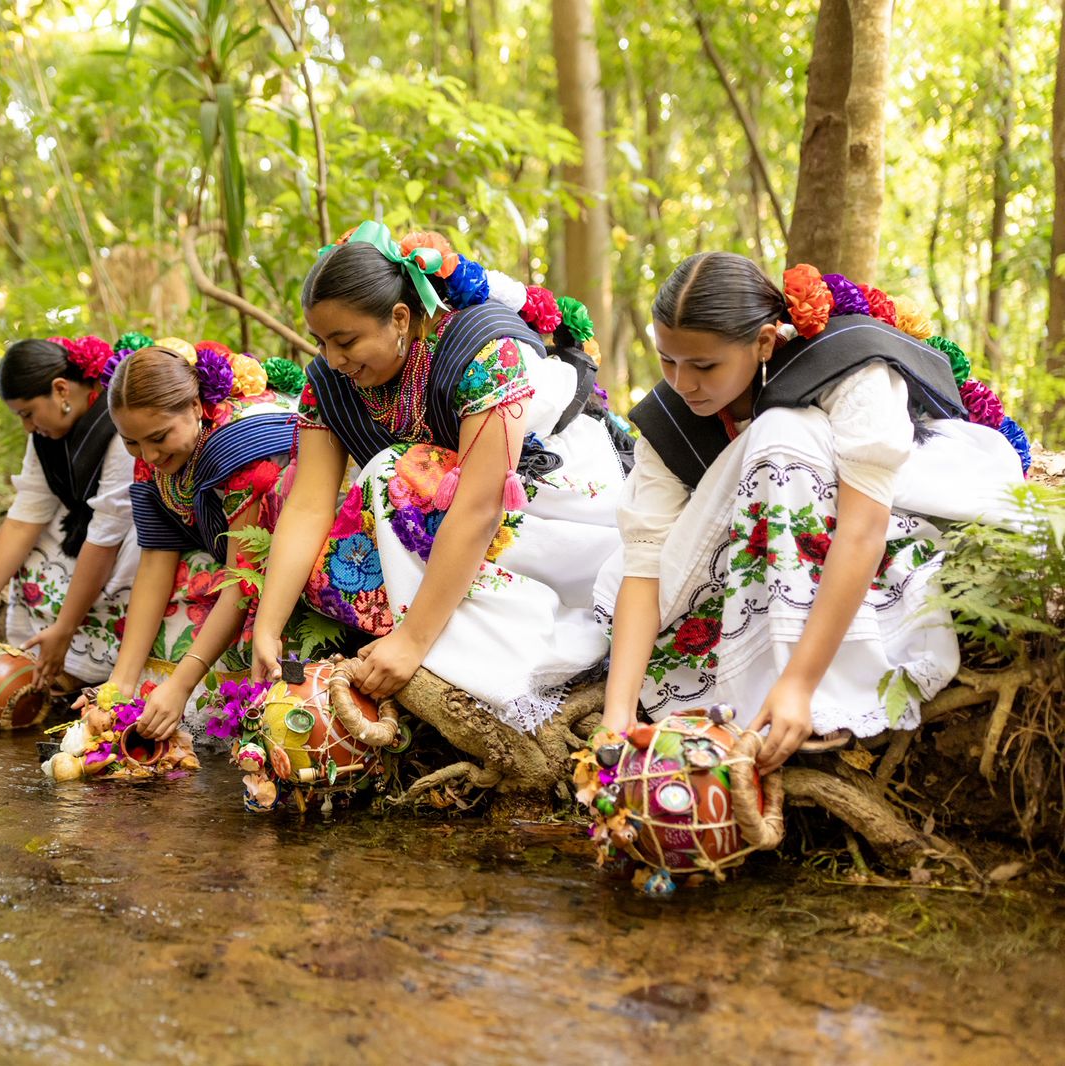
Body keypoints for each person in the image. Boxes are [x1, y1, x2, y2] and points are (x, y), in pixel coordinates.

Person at [596, 253, 1031, 770]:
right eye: (669, 360)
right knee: (616, 577)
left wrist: (800, 685)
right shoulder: (671, 419)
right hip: (757, 560)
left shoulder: (851, 370)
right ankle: (742, 686)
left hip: (869, 534)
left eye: (704, 365)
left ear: (762, 342)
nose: (683, 383)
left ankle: (825, 693)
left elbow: (863, 531)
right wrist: (616, 716)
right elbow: (647, 568)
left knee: (781, 432)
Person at [250, 221, 626, 731]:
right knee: (332, 554)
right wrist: (267, 627)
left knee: (395, 475)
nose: (333, 360)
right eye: (321, 342)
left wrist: (410, 643)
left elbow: (481, 503)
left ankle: (519, 653)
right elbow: (309, 505)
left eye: (346, 340)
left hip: (544, 505)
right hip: (451, 518)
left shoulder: (483, 348)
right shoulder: (330, 381)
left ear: (400, 317)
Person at [93, 338, 296, 740]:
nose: (148, 455)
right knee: (186, 580)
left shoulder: (242, 449)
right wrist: (118, 686)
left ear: (193, 406)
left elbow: (242, 579)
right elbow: (155, 562)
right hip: (230, 558)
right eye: (131, 441)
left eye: (159, 437)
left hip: (291, 570)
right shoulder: (152, 457)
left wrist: (182, 685)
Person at [0, 335, 140, 688]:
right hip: (89, 533)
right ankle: (55, 670)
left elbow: (107, 532)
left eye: (27, 414)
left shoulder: (119, 426)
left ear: (61, 389)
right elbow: (25, 517)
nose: (27, 427)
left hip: (133, 538)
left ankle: (95, 673)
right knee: (36, 541)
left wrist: (66, 628)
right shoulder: (44, 435)